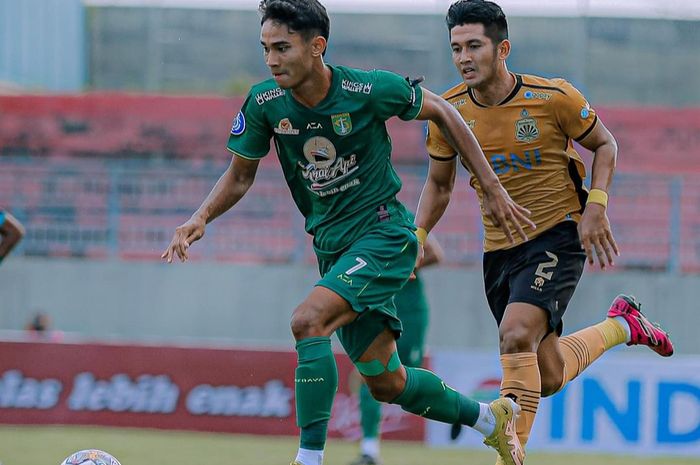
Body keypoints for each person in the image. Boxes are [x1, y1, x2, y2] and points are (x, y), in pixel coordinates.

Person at [162, 2, 535, 464]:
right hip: (332, 249)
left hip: (383, 233)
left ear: (317, 47)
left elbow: (444, 111)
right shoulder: (264, 103)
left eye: (282, 48)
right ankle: (489, 419)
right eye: (265, 49)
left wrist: (492, 186)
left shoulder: (366, 89)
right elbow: (240, 175)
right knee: (386, 381)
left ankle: (308, 458)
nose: (272, 60)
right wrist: (200, 217)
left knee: (307, 321)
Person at [425, 0, 674, 460]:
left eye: (474, 45)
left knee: (516, 334)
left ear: (503, 48)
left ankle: (512, 453)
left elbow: (605, 144)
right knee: (550, 375)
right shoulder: (449, 112)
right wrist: (416, 240)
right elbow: (439, 187)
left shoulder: (552, 97)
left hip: (558, 235)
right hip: (499, 251)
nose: (463, 57)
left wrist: (596, 207)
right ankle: (623, 325)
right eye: (456, 47)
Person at [350, 232, 444, 465]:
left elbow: (435, 254)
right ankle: (369, 451)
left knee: (409, 385)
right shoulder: (359, 223)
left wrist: (400, 266)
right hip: (379, 311)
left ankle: (463, 412)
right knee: (368, 377)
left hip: (409, 314)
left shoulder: (405, 222)